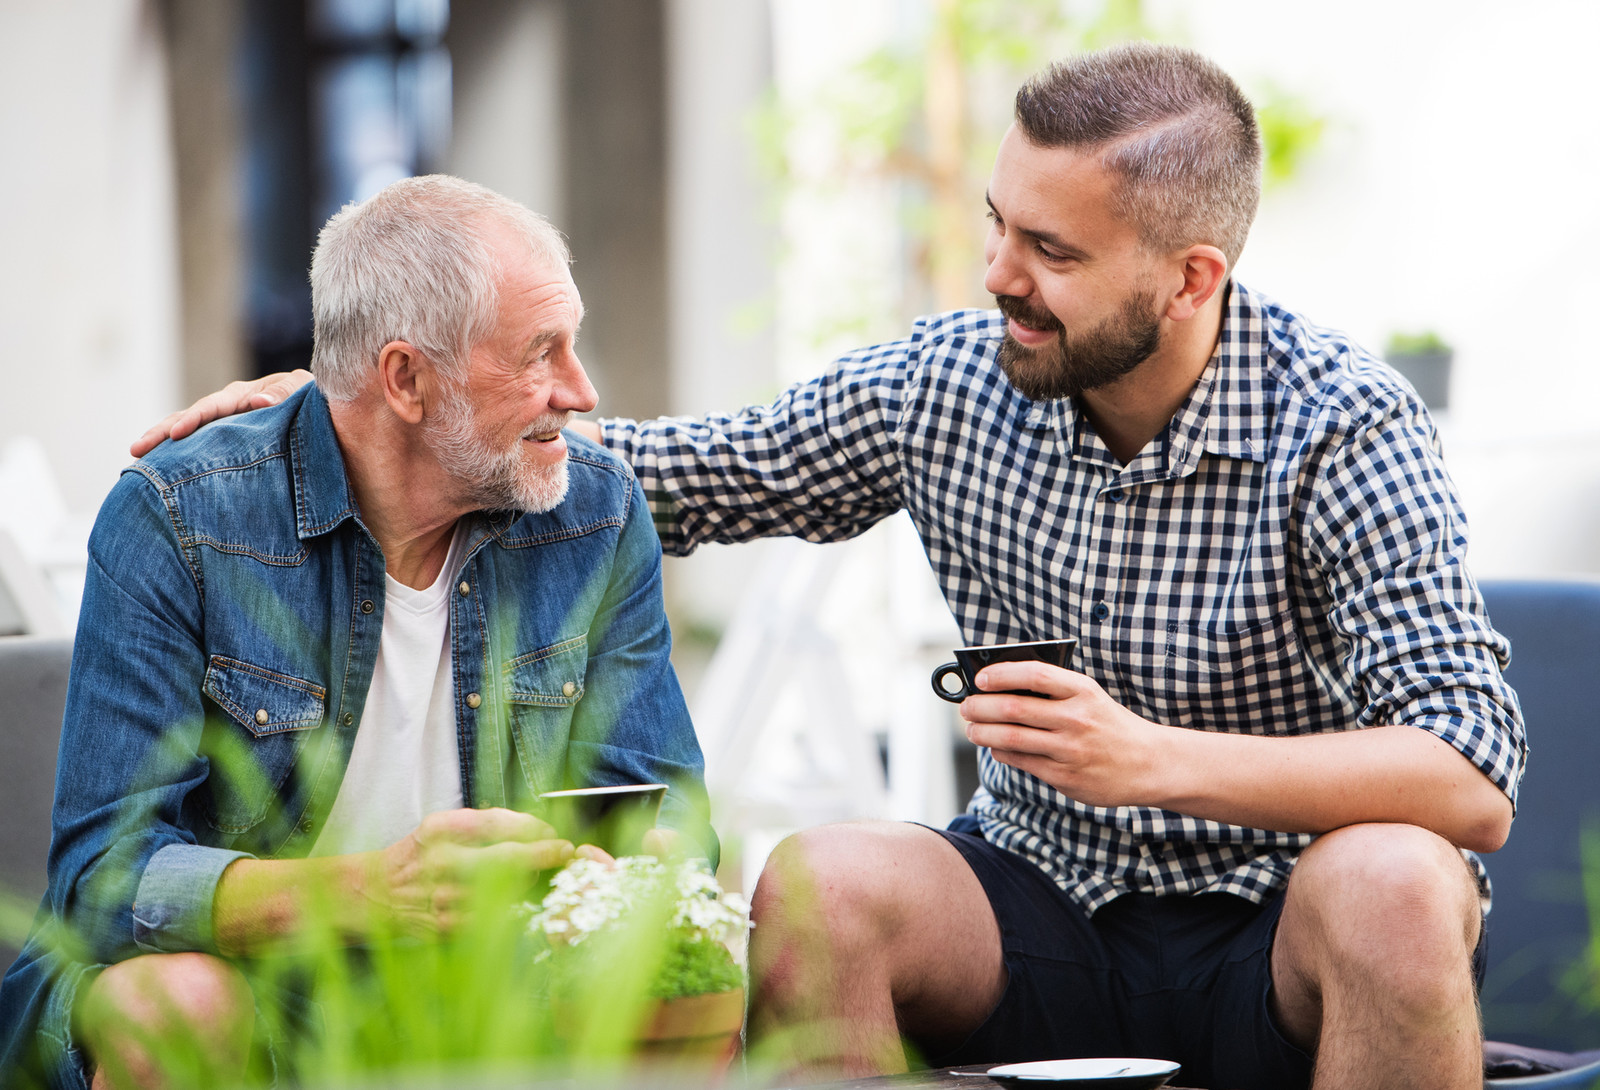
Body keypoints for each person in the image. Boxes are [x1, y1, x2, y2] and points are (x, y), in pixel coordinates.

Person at [127, 44, 1524, 1090]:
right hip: (1040, 904)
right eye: (996, 221)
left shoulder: (1341, 422)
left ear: (1192, 277)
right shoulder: (948, 385)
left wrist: (1152, 758)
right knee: (822, 880)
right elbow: (673, 471)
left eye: (1050, 250)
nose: (996, 273)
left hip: (1275, 932)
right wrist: (388, 416)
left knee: (1401, 880)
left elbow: (1467, 772)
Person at [0, 175, 714, 1090]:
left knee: (668, 973)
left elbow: (674, 818)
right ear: (406, 379)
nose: (582, 390)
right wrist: (371, 895)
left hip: (495, 984)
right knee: (176, 1010)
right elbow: (103, 882)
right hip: (244, 986)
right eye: (541, 354)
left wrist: (629, 868)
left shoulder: (594, 514)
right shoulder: (181, 518)